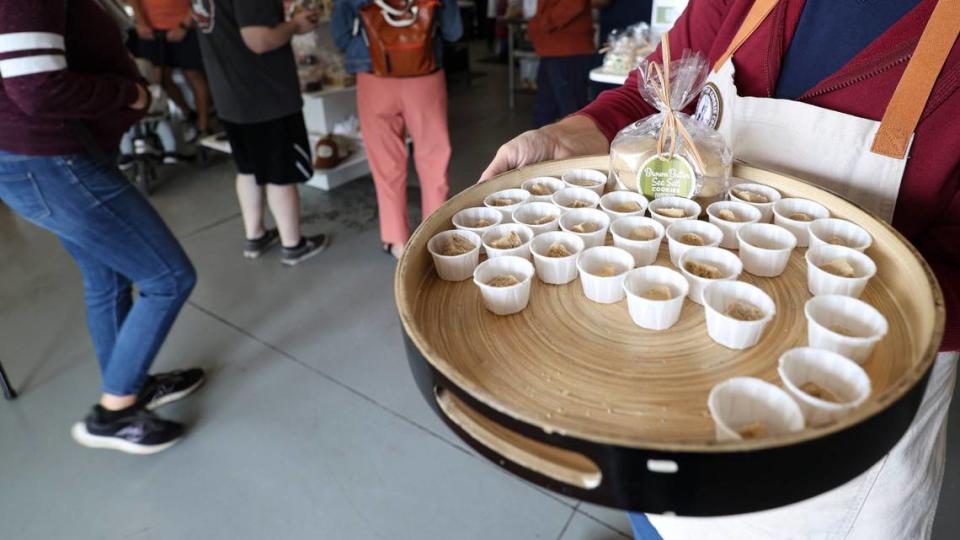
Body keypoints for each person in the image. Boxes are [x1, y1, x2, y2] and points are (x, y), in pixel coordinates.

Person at [482, 0, 959, 538]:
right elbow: (649, 94)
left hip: (831, 442)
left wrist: (817, 283)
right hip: (679, 379)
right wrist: (572, 133)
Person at [0, 0, 205, 454]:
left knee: (105, 276)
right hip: (51, 159)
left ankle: (130, 384)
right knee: (167, 277)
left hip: (46, 156)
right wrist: (129, 95)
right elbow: (34, 87)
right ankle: (113, 414)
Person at [193, 0, 330, 266]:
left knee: (248, 169)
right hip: (265, 96)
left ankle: (255, 235)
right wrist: (295, 25)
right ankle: (294, 245)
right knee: (280, 173)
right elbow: (258, 39)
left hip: (229, 95)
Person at [331, 0, 463, 259]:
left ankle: (397, 240)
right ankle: (433, 237)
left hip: (375, 77)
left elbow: (341, 36)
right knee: (433, 161)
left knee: (386, 163)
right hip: (424, 76)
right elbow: (453, 32)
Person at [128, 0, 212, 139]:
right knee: (160, 78)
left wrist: (185, 25)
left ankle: (203, 125)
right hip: (152, 29)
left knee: (194, 74)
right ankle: (188, 114)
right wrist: (141, 22)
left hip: (185, 26)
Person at [527, 0, 596, 127]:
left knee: (572, 114)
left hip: (568, 48)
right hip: (553, 47)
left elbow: (574, 4)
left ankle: (578, 146)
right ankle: (542, 146)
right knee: (545, 111)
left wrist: (544, 23)